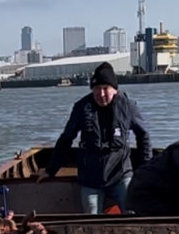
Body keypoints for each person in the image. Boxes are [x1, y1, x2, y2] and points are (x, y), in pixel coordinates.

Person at [36, 62, 152, 214]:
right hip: (91, 177)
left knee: (133, 213)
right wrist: (51, 170)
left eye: (105, 89)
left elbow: (143, 136)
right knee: (91, 217)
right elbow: (66, 139)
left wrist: (146, 169)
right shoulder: (82, 107)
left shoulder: (128, 107)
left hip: (120, 173)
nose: (101, 94)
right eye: (97, 88)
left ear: (114, 90)